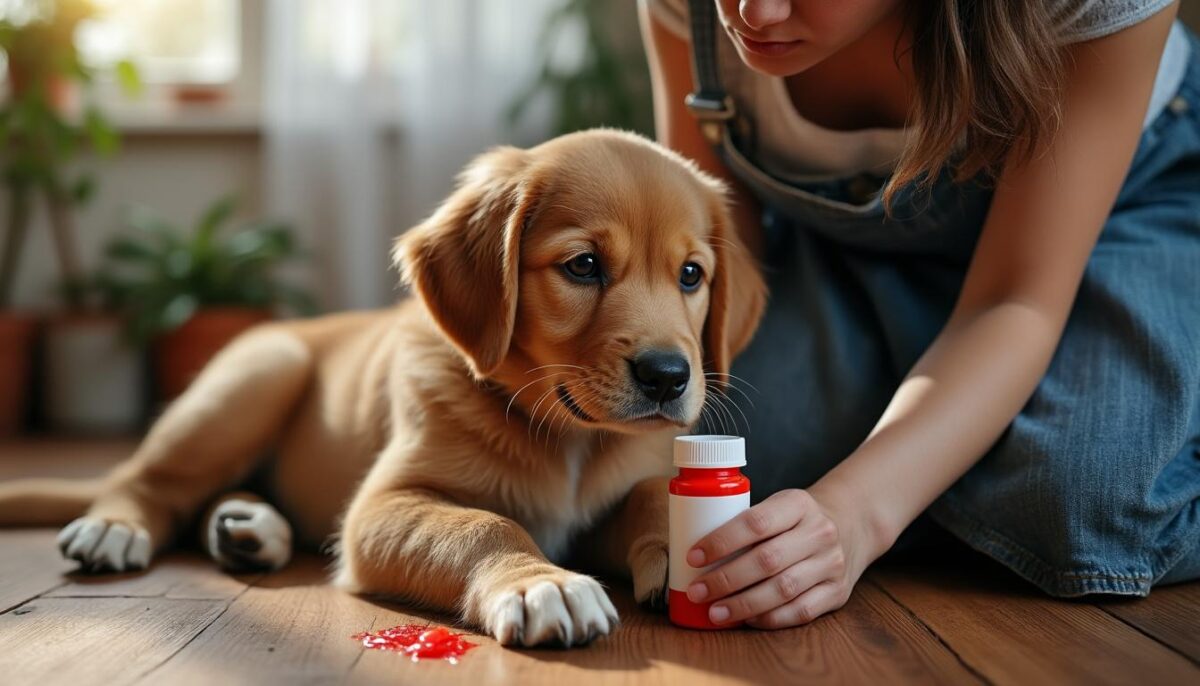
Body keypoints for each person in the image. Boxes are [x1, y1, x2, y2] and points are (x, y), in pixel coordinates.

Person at [638, 0, 1199, 629]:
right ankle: (955, 464)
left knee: (1084, 499)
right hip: (839, 249)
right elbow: (721, 252)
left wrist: (854, 515)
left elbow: (1013, 298)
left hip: (1097, 227)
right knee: (730, 459)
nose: (754, 12)